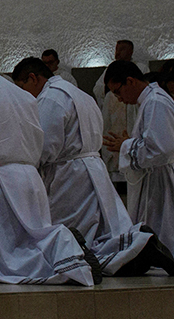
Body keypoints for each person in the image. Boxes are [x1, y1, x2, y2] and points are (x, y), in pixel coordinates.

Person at [0, 47, 96, 286]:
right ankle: (68, 252)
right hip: (29, 174)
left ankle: (66, 256)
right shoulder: (22, 94)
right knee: (33, 234)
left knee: (5, 252)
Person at [13, 57, 173, 276]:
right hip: (92, 168)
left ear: (33, 78)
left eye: (23, 88)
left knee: (75, 234)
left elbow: (45, 145)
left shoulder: (51, 98)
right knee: (99, 231)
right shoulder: (80, 94)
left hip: (68, 175)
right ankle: (138, 248)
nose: (25, 96)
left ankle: (131, 252)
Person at [102, 61, 174, 253]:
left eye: (117, 91)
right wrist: (130, 142)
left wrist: (125, 146)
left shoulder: (155, 102)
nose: (119, 98)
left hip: (161, 181)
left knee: (162, 229)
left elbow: (161, 150)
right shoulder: (150, 101)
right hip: (154, 178)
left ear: (130, 81)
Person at [95, 41, 149, 186]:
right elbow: (98, 88)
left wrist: (127, 146)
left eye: (121, 50)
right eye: (116, 50)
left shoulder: (152, 102)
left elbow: (158, 149)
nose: (117, 53)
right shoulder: (111, 69)